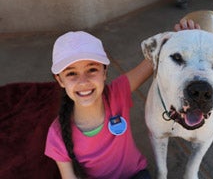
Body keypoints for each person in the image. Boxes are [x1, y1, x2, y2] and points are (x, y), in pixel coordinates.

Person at [44, 19, 200, 179]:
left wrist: (180, 38)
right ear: (60, 80)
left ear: (104, 73)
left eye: (92, 69)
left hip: (137, 175)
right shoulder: (57, 135)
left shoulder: (116, 93)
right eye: (71, 73)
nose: (83, 82)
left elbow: (154, 59)